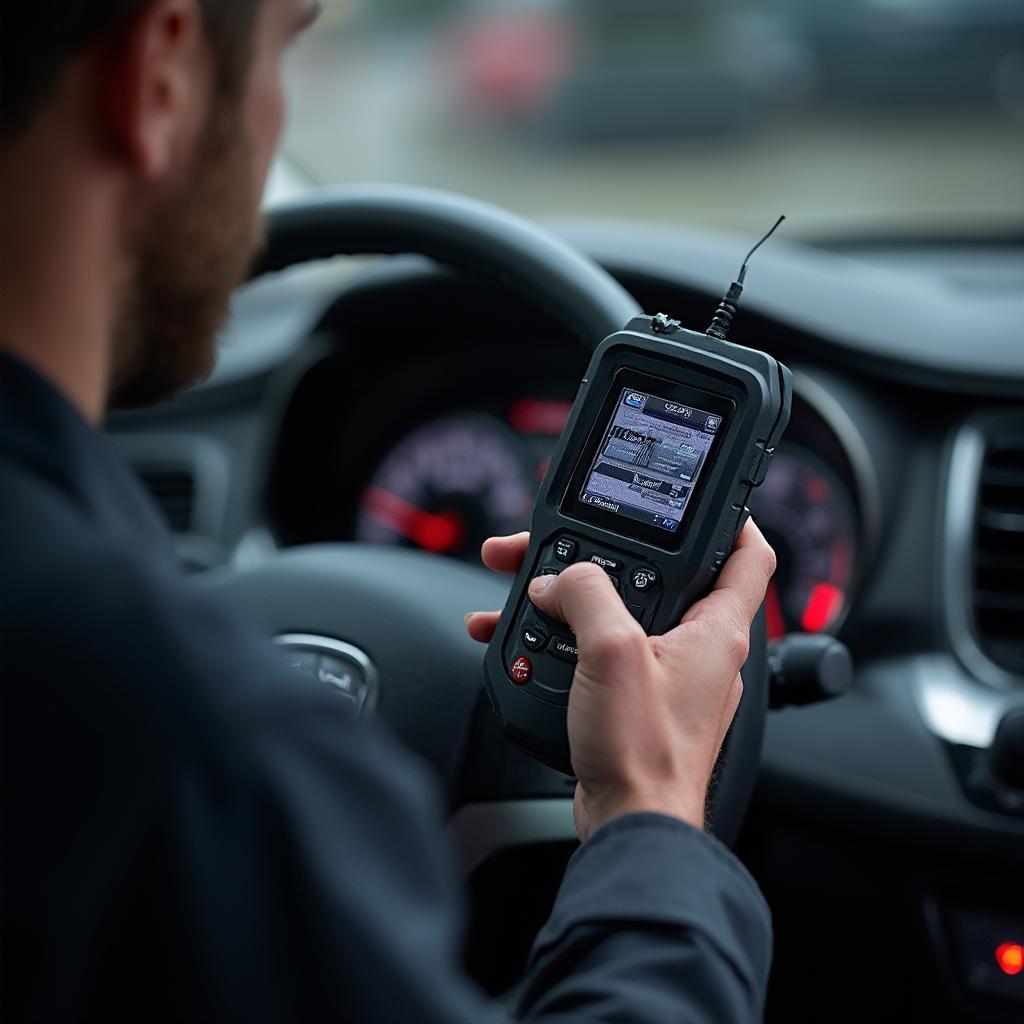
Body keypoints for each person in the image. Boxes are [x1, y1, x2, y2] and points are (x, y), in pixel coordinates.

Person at [0, 1, 778, 1020]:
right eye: (287, 48)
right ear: (159, 76)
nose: (279, 116)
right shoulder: (198, 749)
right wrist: (653, 816)